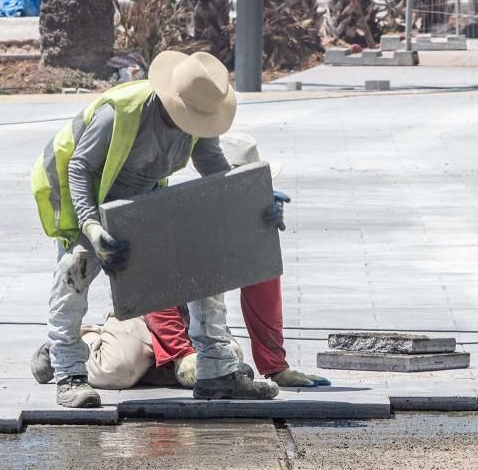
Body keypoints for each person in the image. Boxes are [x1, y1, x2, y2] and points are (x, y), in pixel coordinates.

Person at [30, 51, 286, 408]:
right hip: (87, 198)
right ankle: (69, 371)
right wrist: (90, 226)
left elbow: (215, 169)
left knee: (204, 261)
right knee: (74, 271)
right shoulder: (118, 113)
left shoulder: (198, 120)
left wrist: (253, 203)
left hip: (141, 204)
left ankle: (216, 371)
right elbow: (80, 168)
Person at [30, 134, 331, 391]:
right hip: (145, 313)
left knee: (231, 363)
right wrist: (181, 353)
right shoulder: (177, 214)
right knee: (117, 371)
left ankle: (161, 367)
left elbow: (262, 291)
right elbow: (154, 286)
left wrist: (276, 367)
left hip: (196, 323)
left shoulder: (253, 216)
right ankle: (78, 341)